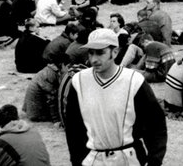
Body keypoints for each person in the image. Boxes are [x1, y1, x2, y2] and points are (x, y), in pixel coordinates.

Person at [65, 28, 167, 166]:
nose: (94, 59)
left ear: (115, 52)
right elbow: (73, 127)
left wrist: (154, 161)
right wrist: (77, 160)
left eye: (100, 52)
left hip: (128, 158)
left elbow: (155, 124)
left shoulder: (134, 81)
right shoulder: (79, 81)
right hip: (93, 159)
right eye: (91, 53)